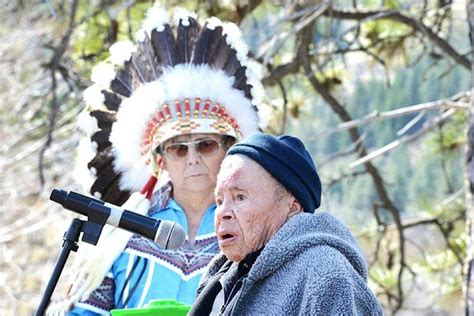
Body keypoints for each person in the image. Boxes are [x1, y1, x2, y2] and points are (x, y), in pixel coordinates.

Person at [51, 4, 263, 315]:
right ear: (159, 160)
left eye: (205, 145)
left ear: (229, 150)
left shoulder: (256, 227)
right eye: (178, 148)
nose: (192, 159)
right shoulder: (121, 232)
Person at [190, 133, 384, 315]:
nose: (222, 212)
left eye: (240, 197)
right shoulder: (221, 278)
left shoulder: (325, 273)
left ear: (292, 207)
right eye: (219, 200)